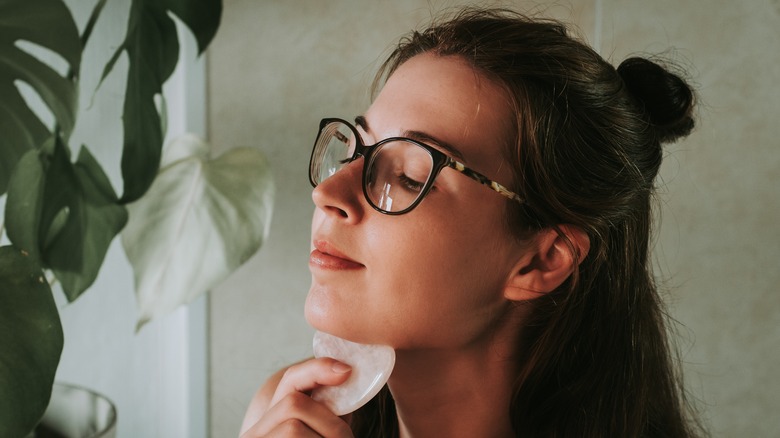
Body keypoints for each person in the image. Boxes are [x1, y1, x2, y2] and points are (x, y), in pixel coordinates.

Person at [240, 7, 705, 437]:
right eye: (354, 150)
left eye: (407, 176)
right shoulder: (287, 415)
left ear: (541, 261)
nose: (328, 194)